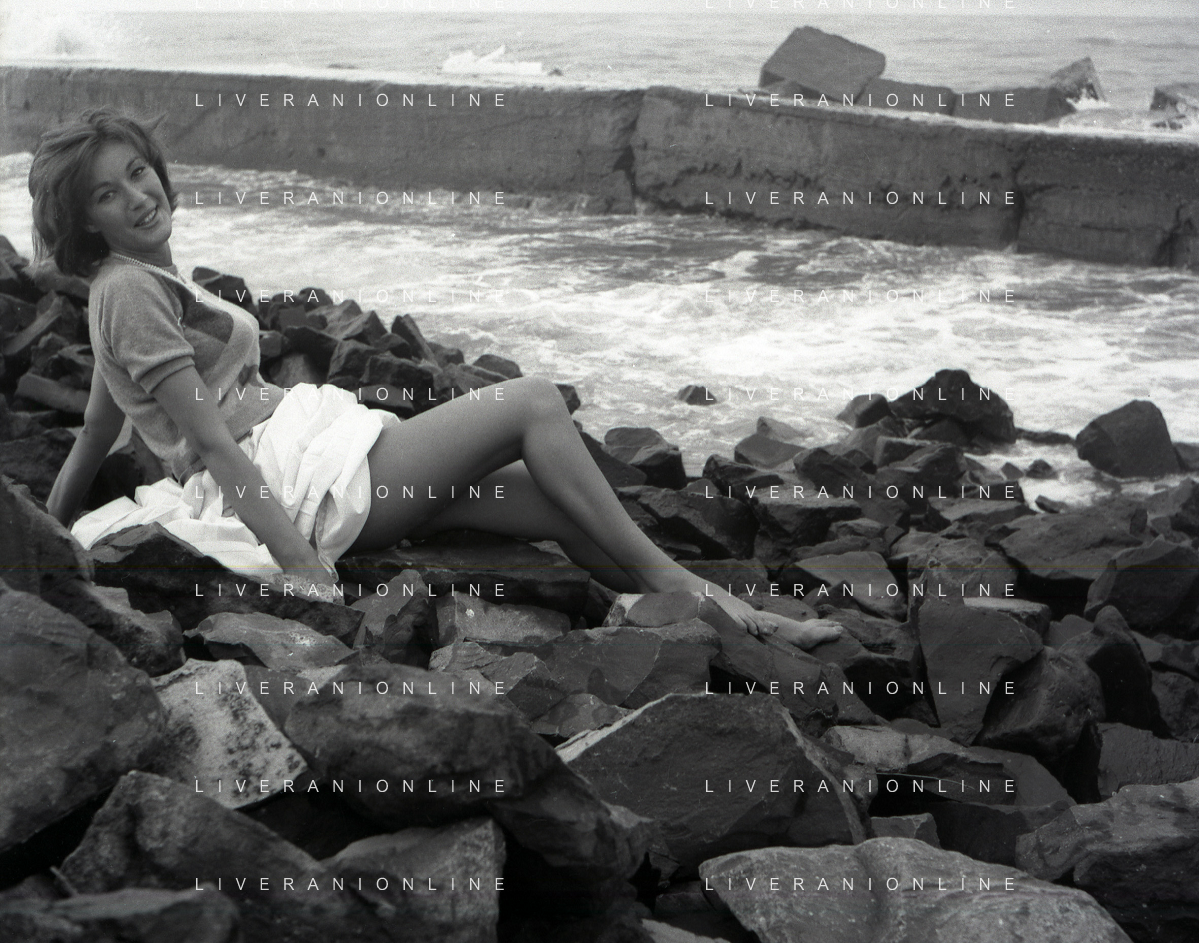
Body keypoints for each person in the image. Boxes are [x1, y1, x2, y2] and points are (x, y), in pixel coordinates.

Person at [33, 107, 841, 649]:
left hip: (314, 460)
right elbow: (210, 442)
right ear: (84, 221)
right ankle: (687, 586)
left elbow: (98, 431)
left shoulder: (130, 284)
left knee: (552, 499)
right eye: (107, 193)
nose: (137, 195)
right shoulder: (129, 291)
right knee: (532, 402)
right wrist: (302, 566)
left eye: (137, 171)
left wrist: (40, 544)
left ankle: (706, 621)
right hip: (299, 484)